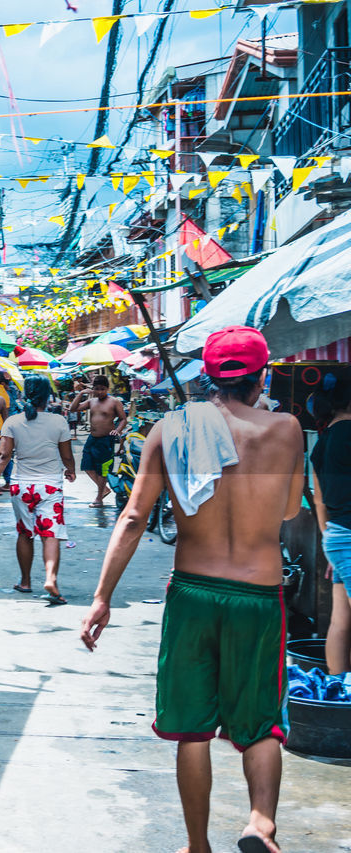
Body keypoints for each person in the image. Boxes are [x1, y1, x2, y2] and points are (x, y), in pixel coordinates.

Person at [80, 326, 304, 853]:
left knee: (193, 728)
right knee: (261, 724)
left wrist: (102, 597)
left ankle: (197, 844)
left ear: (208, 377)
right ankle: (260, 824)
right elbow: (291, 510)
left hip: (193, 591)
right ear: (260, 377)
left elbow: (134, 517)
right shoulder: (287, 428)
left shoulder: (170, 430)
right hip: (258, 593)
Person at [0, 376, 75, 603]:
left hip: (21, 486)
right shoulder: (59, 422)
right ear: (47, 396)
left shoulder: (13, 422)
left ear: (26, 395)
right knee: (50, 534)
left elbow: (3, 456)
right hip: (50, 486)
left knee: (25, 533)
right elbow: (66, 455)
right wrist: (70, 470)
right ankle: (51, 579)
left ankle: (25, 581)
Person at [309, 373, 351, 675]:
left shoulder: (321, 442)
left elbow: (319, 500)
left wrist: (330, 540)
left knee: (341, 620)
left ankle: (340, 687)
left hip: (337, 536)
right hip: (346, 535)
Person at [70, 375, 129, 507]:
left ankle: (99, 499)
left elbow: (123, 419)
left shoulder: (114, 402)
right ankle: (104, 490)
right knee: (86, 466)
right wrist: (81, 393)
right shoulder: (92, 402)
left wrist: (118, 430)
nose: (100, 392)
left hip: (106, 440)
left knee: (103, 470)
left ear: (107, 389)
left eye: (102, 389)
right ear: (93, 389)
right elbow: (73, 409)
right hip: (92, 439)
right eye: (97, 389)